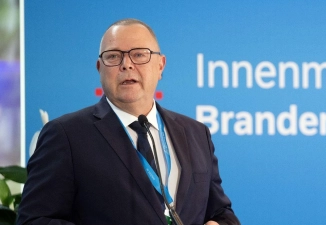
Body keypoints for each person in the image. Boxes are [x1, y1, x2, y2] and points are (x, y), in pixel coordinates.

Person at [17, 18, 240, 225]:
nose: (127, 65)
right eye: (113, 56)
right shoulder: (65, 135)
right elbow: (34, 220)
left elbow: (221, 212)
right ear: (99, 68)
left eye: (139, 54)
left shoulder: (196, 133)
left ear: (160, 66)